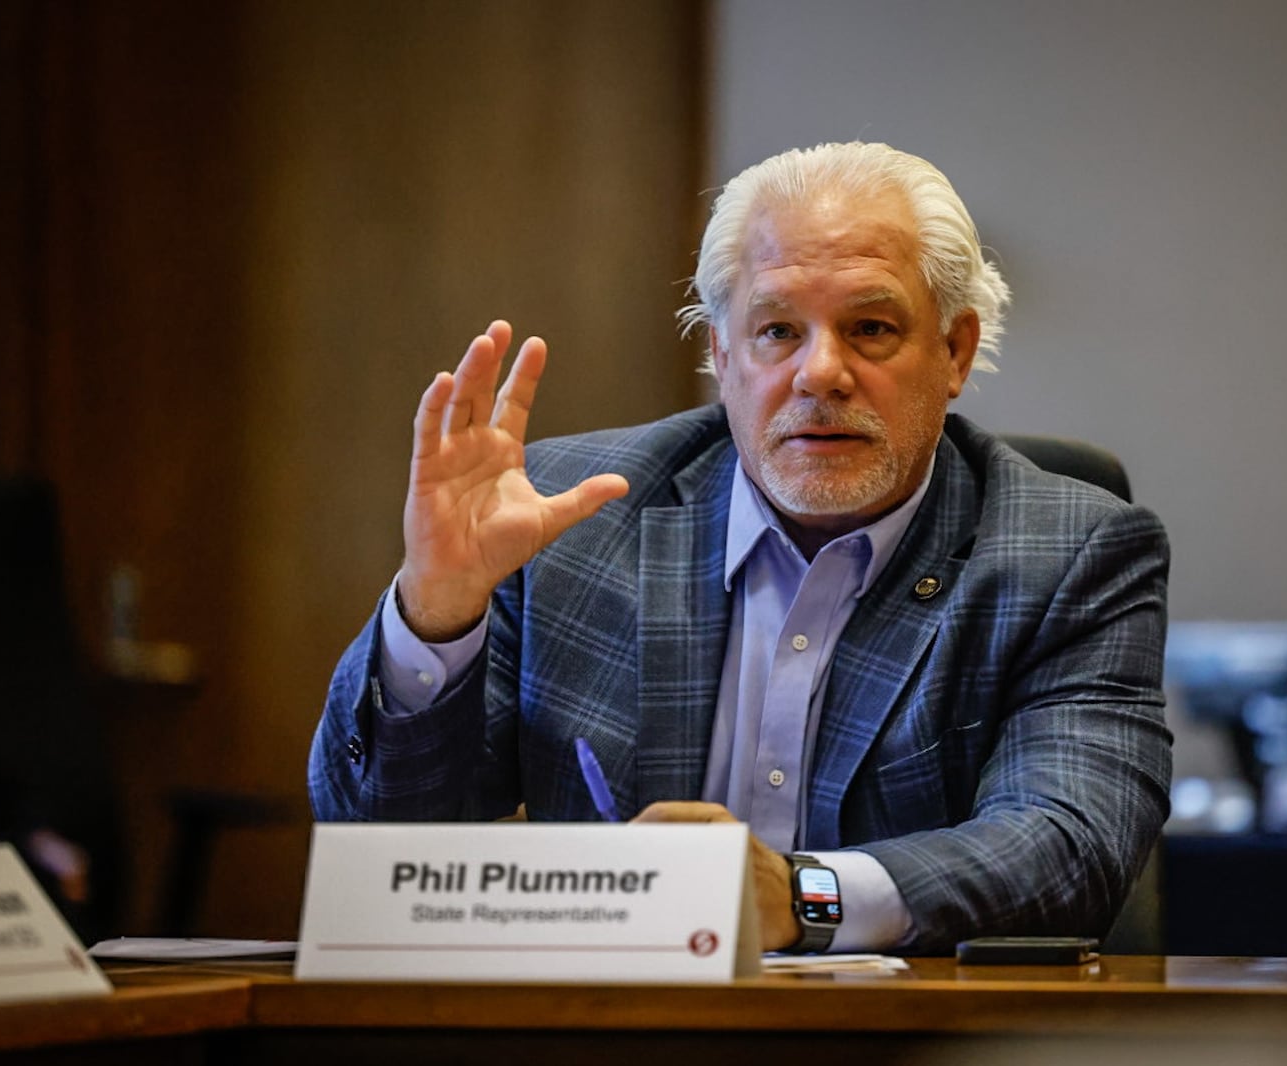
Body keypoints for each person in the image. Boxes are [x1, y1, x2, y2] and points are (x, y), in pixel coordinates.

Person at [309, 142, 1171, 955]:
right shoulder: (566, 519)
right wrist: (435, 613)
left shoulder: (1072, 554)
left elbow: (1069, 847)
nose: (820, 373)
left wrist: (799, 898)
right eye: (776, 332)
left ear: (954, 351)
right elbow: (380, 834)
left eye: (871, 328)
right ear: (722, 357)